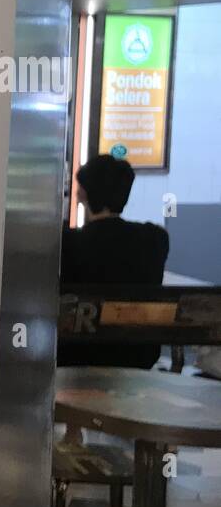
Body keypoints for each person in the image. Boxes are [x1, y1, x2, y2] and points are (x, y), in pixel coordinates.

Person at [58, 154, 168, 368]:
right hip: (138, 355)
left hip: (76, 354)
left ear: (82, 194)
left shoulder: (68, 242)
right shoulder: (155, 239)